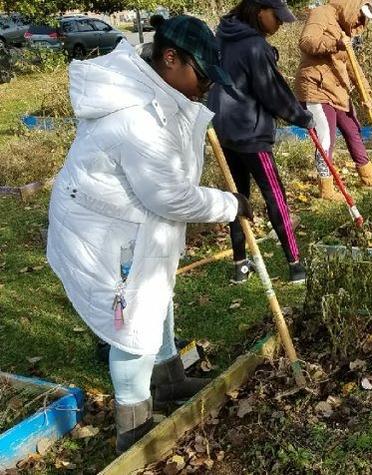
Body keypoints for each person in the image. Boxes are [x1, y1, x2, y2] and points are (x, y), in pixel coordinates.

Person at [46, 15, 252, 453]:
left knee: (158, 297)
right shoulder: (136, 117)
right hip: (102, 232)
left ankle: (167, 379)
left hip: (131, 222)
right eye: (202, 76)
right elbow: (170, 196)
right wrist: (231, 206)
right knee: (134, 325)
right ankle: (133, 427)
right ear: (170, 58)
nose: (207, 88)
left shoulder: (159, 93)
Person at [208, 0, 313, 284]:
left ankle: (240, 265)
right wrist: (302, 118)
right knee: (274, 196)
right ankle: (295, 265)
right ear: (259, 12)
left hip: (223, 131)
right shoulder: (254, 45)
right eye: (276, 17)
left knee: (237, 197)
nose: (279, 24)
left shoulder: (223, 35)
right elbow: (273, 93)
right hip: (251, 134)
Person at [295, 0, 372, 202]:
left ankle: (367, 175)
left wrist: (366, 95)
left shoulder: (345, 30)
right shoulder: (321, 13)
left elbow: (353, 66)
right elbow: (306, 42)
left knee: (352, 128)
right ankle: (326, 188)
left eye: (364, 20)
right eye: (360, 16)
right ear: (351, 7)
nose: (360, 22)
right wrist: (335, 43)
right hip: (316, 87)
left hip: (337, 89)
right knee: (326, 139)